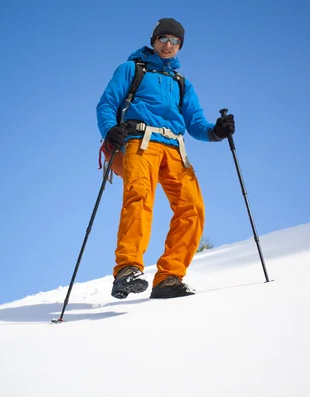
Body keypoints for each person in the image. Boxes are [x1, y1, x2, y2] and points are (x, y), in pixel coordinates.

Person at [96, 17, 235, 299]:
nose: (168, 45)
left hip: (174, 148)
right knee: (140, 197)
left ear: (180, 46)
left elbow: (196, 123)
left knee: (192, 208)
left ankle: (169, 277)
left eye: (174, 41)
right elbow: (107, 103)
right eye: (163, 39)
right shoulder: (131, 69)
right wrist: (110, 130)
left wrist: (217, 131)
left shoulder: (182, 84)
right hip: (141, 142)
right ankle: (127, 268)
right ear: (154, 40)